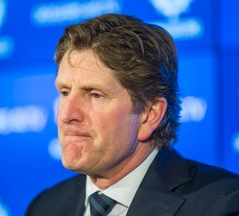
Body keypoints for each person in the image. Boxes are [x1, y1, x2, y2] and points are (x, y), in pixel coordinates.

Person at [26, 14, 239, 216]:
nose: (66, 114)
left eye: (95, 95)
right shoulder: (45, 206)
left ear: (149, 115)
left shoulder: (221, 204)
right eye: (64, 92)